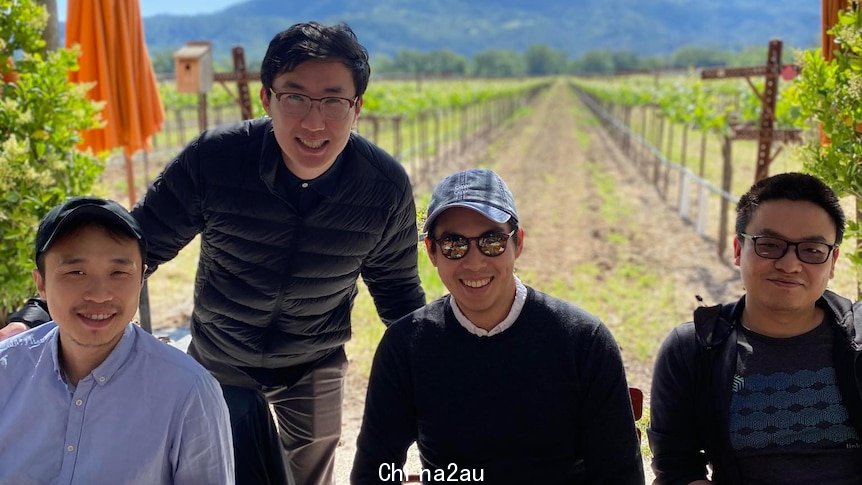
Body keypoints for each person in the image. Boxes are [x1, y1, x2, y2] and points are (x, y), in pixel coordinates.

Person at [4, 21, 426, 485]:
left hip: (314, 358)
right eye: (295, 97)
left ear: (357, 107)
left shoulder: (382, 187)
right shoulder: (216, 160)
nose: (313, 121)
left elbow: (397, 290)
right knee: (220, 469)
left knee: (310, 473)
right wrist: (36, 313)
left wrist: (432, 363)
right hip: (221, 354)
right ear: (266, 98)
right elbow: (138, 244)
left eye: (332, 100)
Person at [351, 168, 644, 484]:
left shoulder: (583, 341)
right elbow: (375, 470)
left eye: (492, 241)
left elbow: (619, 473)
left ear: (518, 243)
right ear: (432, 252)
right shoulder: (407, 345)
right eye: (454, 244)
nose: (474, 262)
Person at [0, 196, 234, 484]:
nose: (99, 294)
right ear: (41, 284)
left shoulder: (188, 393)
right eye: (76, 272)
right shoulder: (6, 370)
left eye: (119, 272)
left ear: (141, 280)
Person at [648, 172, 862, 484]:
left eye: (812, 250)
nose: (789, 265)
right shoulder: (694, 349)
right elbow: (676, 467)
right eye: (770, 245)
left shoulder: (858, 338)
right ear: (738, 250)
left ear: (833, 262)